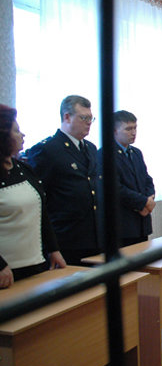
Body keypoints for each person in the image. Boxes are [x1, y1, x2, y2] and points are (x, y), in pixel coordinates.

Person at [25, 95, 102, 266]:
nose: (89, 123)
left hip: (93, 235)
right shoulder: (47, 150)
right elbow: (39, 198)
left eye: (91, 118)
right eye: (84, 118)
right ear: (67, 117)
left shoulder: (90, 148)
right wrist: (50, 245)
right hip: (66, 237)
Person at [0, 105, 66, 288]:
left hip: (36, 264)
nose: (22, 135)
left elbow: (41, 213)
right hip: (6, 273)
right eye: (16, 131)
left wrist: (54, 249)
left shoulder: (24, 169)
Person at [98, 110, 155, 247]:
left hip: (142, 222)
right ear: (114, 131)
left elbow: (147, 180)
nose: (133, 132)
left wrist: (149, 200)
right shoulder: (105, 154)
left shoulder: (136, 152)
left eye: (135, 128)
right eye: (128, 129)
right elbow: (115, 188)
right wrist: (142, 203)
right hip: (123, 225)